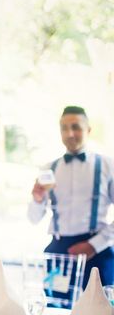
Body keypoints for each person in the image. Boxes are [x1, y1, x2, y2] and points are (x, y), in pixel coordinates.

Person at [28, 106, 114, 288]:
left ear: (88, 130)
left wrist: (94, 245)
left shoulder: (108, 166)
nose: (70, 133)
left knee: (102, 312)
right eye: (64, 128)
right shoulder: (48, 169)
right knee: (58, 310)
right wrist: (37, 199)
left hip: (97, 250)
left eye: (76, 127)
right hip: (59, 252)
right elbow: (34, 218)